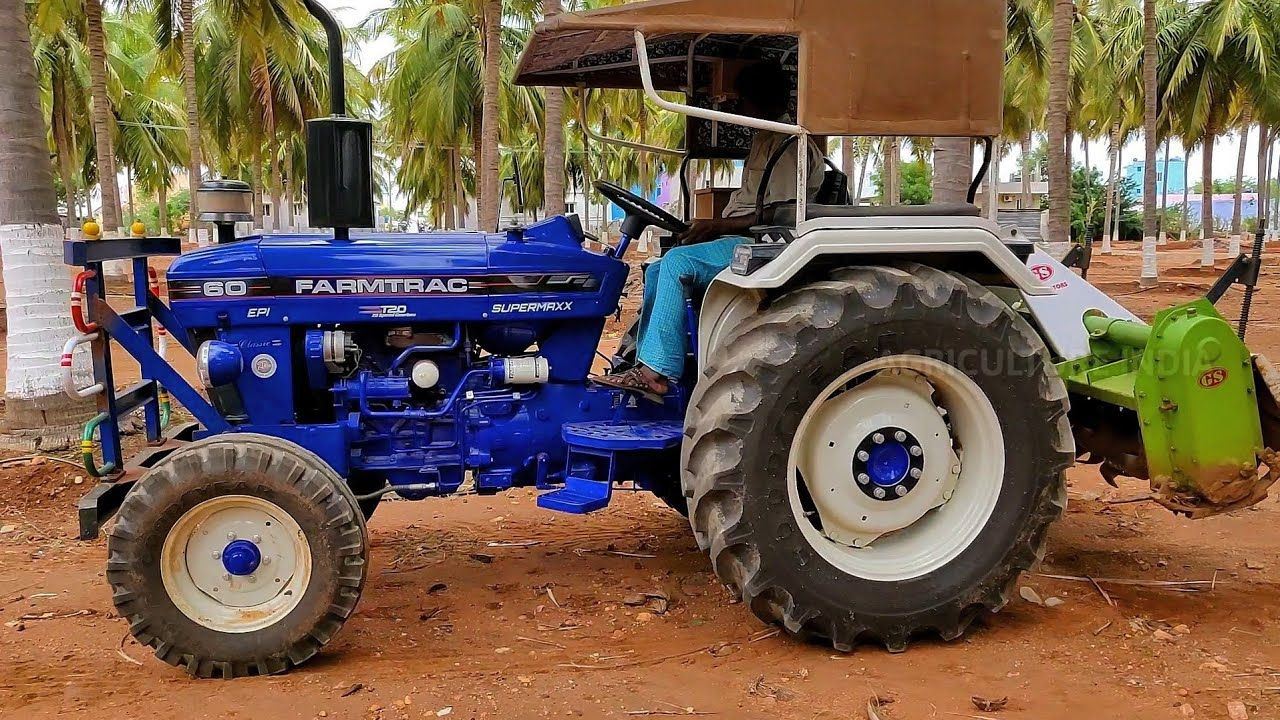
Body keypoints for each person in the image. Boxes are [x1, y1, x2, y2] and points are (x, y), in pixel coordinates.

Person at [595, 62, 825, 402]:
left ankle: (655, 374)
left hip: (764, 245)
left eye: (743, 99)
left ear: (761, 98)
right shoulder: (766, 139)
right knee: (657, 268)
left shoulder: (789, 145)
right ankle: (644, 362)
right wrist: (709, 227)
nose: (739, 107)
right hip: (743, 238)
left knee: (677, 262)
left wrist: (715, 225)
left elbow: (779, 214)